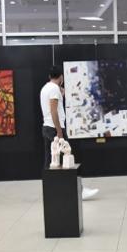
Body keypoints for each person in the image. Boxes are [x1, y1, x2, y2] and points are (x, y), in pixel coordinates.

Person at [40, 67, 98, 200]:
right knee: (68, 157)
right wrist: (59, 131)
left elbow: (51, 108)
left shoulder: (45, 88)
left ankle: (49, 191)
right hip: (55, 128)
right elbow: (53, 111)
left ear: (49, 76)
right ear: (61, 77)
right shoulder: (54, 89)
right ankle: (79, 191)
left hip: (47, 127)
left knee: (50, 161)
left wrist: (61, 93)